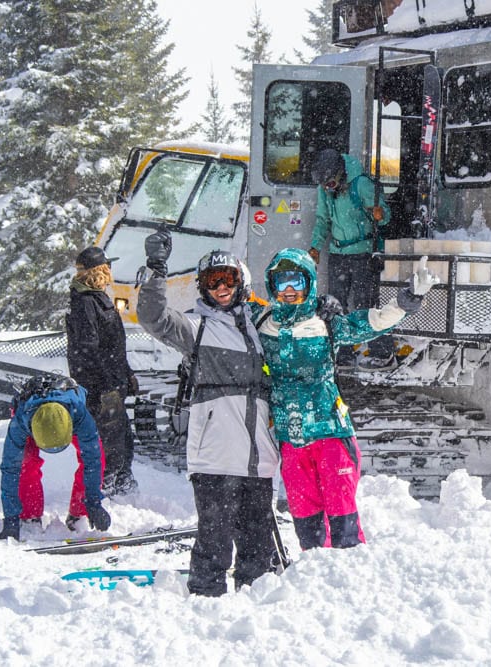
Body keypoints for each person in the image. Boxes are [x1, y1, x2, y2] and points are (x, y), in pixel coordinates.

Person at [251, 247, 437, 550]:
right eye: (280, 281)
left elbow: (371, 322)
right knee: (305, 519)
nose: (287, 290)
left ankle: (351, 573)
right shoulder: (262, 323)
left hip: (331, 435)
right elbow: (229, 303)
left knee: (342, 519)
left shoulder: (325, 323)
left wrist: (407, 299)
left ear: (309, 283)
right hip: (291, 438)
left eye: (296, 282)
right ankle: (315, 575)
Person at [138, 231, 282, 596]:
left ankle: (256, 599)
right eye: (212, 281)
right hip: (214, 456)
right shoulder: (197, 328)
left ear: (241, 282)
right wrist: (156, 270)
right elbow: (153, 318)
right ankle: (205, 599)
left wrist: (320, 308)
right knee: (214, 536)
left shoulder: (263, 324)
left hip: (259, 457)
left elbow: (302, 330)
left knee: (257, 539)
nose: (221, 287)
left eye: (228, 279)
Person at [307, 148, 394, 370]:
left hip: (363, 252)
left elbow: (384, 217)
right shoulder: (325, 189)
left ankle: (381, 353)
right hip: (338, 254)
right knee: (335, 305)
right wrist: (315, 247)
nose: (328, 187)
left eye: (331, 182)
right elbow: (323, 219)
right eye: (324, 184)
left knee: (367, 303)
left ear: (340, 173)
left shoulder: (362, 184)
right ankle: (342, 353)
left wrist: (380, 214)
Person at [0, 374, 111, 540]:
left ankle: (80, 514)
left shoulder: (79, 414)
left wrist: (93, 502)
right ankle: (28, 516)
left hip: (67, 414)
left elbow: (92, 462)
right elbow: (10, 470)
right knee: (24, 464)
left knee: (97, 457)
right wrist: (11, 518)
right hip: (31, 417)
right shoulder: (20, 422)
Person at [66, 246, 138, 497]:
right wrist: (106, 384)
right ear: (101, 271)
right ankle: (106, 489)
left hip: (111, 382)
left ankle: (121, 484)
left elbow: (113, 346)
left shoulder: (97, 299)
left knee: (122, 438)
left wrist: (125, 374)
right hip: (100, 387)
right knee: (110, 442)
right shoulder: (85, 303)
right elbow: (89, 349)